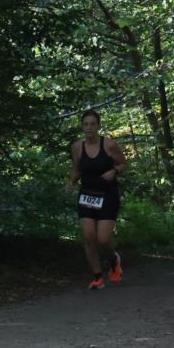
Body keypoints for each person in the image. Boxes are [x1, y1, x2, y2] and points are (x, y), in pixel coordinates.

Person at [64, 109, 128, 290]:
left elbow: (123, 163)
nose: (89, 127)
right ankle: (98, 276)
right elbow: (76, 169)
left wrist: (114, 171)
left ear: (98, 126)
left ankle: (114, 259)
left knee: (102, 238)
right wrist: (70, 183)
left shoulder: (109, 145)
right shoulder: (77, 147)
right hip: (86, 194)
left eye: (93, 124)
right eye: (86, 124)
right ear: (82, 127)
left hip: (107, 195)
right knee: (88, 237)